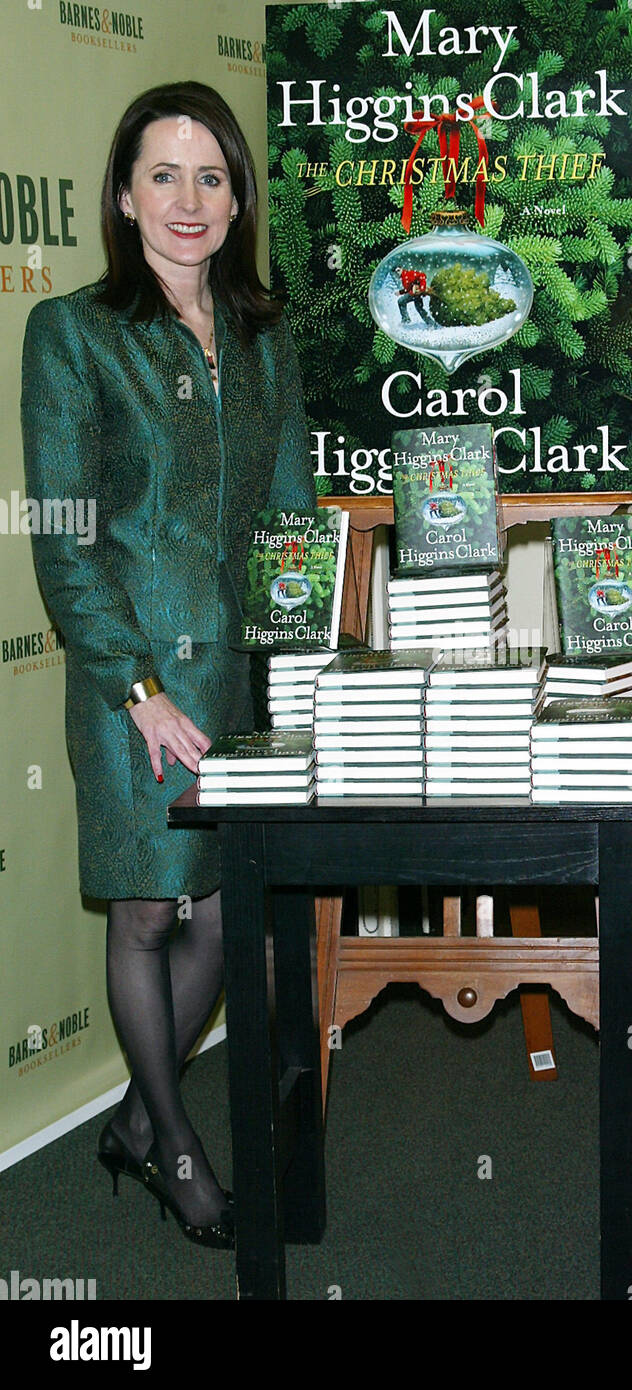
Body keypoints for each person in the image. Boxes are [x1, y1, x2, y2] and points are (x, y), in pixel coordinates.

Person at [21, 82, 317, 1248]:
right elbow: (60, 531)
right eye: (163, 174)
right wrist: (135, 687)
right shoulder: (76, 333)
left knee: (220, 915)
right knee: (148, 909)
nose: (188, 200)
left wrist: (307, 668)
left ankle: (138, 1118)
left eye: (210, 176)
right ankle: (177, 1150)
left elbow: (291, 515)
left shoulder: (263, 334)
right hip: (127, 682)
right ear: (124, 192)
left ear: (239, 195)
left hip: (237, 681)